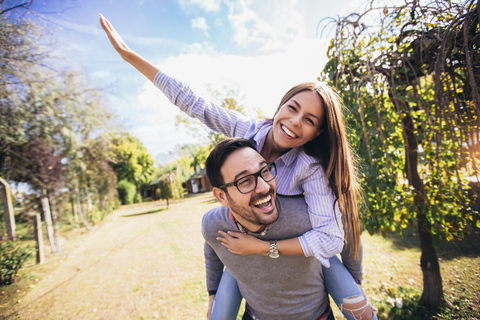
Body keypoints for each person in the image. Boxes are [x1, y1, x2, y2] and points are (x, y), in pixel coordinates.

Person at [100, 15, 376, 320]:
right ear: (281, 105)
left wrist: (264, 248)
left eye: (310, 121)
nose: (295, 122)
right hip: (242, 240)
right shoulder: (247, 130)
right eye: (292, 108)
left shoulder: (307, 168)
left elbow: (334, 234)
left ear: (317, 133)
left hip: (284, 250)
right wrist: (130, 57)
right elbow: (196, 104)